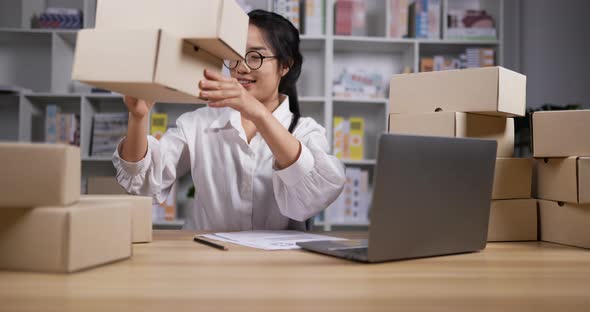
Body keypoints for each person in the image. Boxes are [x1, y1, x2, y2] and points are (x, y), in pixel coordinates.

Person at [113, 10, 345, 231]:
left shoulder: (305, 131)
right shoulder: (198, 123)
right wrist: (138, 117)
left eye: (255, 57)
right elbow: (143, 183)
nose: (241, 67)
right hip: (206, 259)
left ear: (285, 65)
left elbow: (317, 196)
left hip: (274, 265)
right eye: (235, 57)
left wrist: (259, 114)